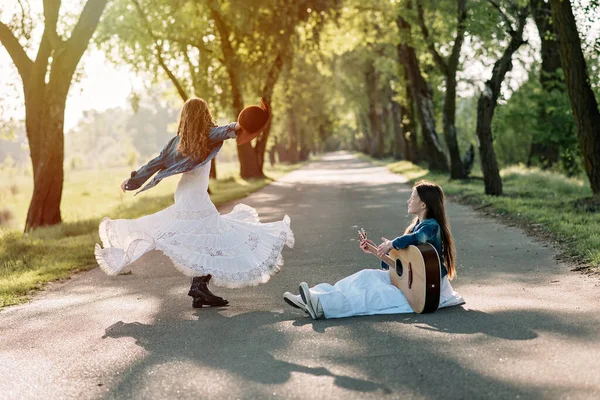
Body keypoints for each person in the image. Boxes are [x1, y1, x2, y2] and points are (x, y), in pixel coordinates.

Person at [95, 98, 294, 308]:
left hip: (187, 193)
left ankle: (199, 289)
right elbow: (232, 129)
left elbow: (154, 163)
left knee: (205, 238)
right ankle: (198, 286)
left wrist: (132, 180)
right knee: (213, 235)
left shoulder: (176, 142)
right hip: (194, 196)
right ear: (204, 114)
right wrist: (258, 118)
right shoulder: (209, 134)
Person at [283, 180, 463, 319]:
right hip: (414, 281)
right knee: (365, 276)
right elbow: (400, 269)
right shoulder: (417, 225)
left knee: (370, 295)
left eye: (413, 197)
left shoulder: (431, 226)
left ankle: (322, 305)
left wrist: (392, 244)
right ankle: (315, 296)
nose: (408, 200)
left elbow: (419, 238)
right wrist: (378, 252)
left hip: (426, 289)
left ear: (423, 205)